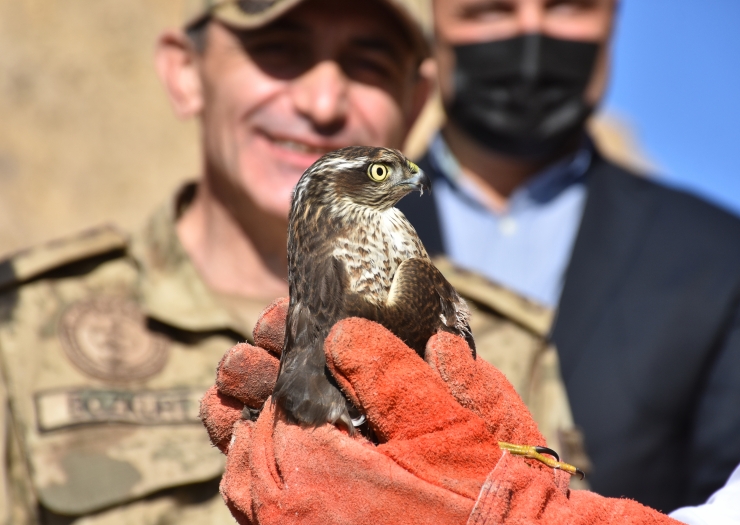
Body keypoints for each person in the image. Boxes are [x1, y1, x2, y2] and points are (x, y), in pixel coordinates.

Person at [0, 0, 584, 522]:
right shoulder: (21, 328)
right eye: (278, 52)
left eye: (368, 63)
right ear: (185, 72)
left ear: (416, 100)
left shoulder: (499, 337)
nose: (322, 103)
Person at [396, 0, 740, 513]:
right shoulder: (329, 232)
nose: (531, 37)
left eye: (566, 7)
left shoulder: (717, 254)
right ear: (433, 28)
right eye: (491, 11)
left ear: (612, 22)